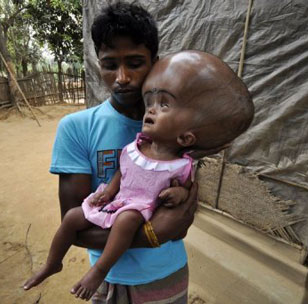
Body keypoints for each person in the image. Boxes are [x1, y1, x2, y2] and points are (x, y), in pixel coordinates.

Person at [24, 3, 236, 303]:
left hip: (165, 273)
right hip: (106, 277)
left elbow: (181, 220)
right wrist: (153, 235)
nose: (122, 77)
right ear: (99, 64)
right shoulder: (77, 128)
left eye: (135, 63)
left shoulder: (178, 132)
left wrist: (170, 224)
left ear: (156, 64)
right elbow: (75, 228)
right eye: (110, 65)